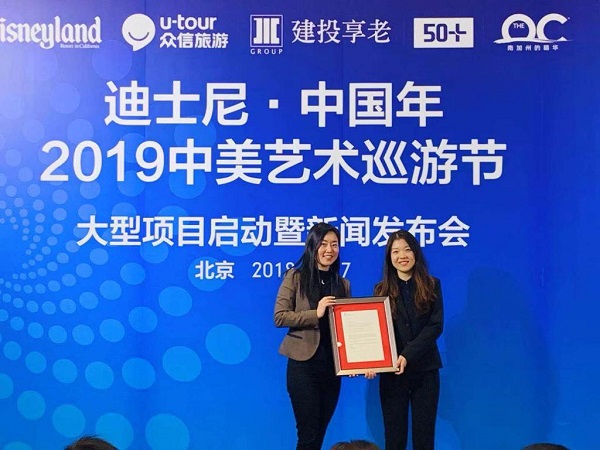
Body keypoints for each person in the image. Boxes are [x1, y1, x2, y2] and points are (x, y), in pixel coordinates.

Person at [274, 222, 351, 450]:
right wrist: (315, 313)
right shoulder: (295, 277)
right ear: (312, 246)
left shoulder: (343, 284)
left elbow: (347, 327)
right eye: (323, 244)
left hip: (332, 368)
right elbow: (280, 316)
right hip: (303, 366)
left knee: (319, 434)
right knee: (307, 434)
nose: (329, 250)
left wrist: (360, 360)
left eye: (334, 244)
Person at [373, 230, 443, 450]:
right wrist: (371, 360)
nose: (402, 256)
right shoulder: (380, 290)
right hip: (392, 373)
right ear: (389, 257)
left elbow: (435, 326)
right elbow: (376, 330)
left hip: (425, 371)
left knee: (424, 439)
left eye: (407, 250)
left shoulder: (432, 285)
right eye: (395, 252)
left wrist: (407, 355)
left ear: (415, 253)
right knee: (394, 439)